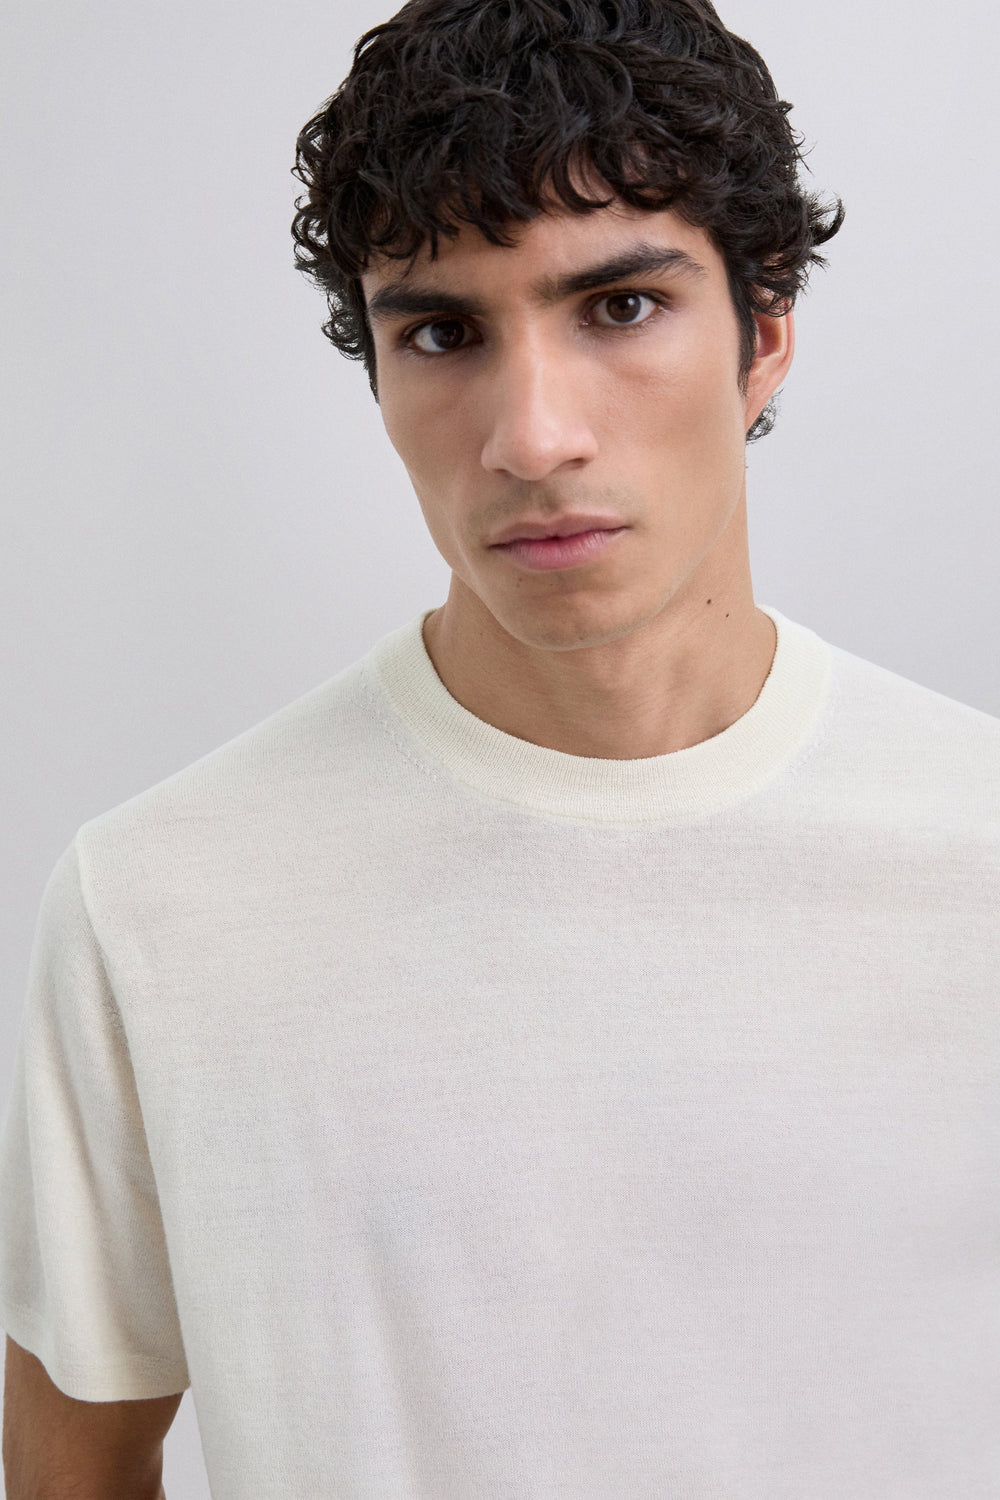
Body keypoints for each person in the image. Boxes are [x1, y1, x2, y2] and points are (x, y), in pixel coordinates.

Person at [2, 0, 998, 1494]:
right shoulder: (157, 905)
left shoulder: (976, 855)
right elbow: (68, 1463)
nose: (533, 437)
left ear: (765, 336)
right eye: (444, 333)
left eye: (621, 306)